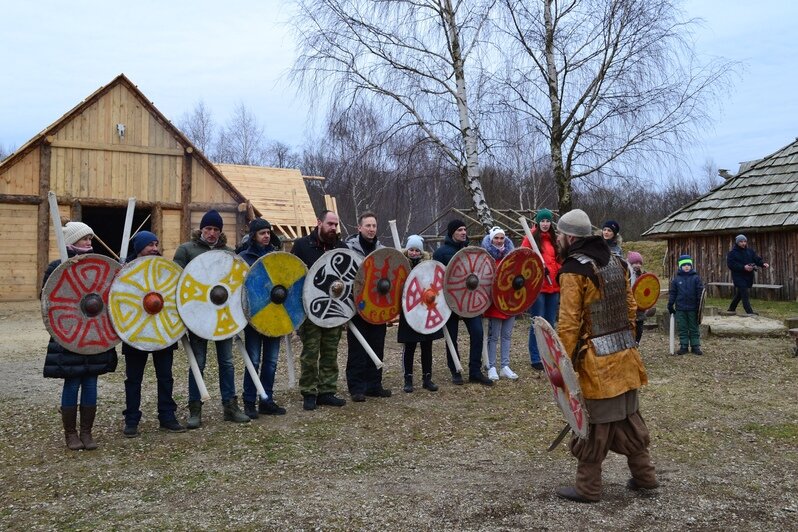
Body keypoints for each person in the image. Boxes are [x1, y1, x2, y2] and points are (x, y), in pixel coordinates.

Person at [554, 209, 657, 503]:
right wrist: (629, 341)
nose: (558, 239)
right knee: (627, 417)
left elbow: (569, 322)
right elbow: (630, 307)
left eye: (560, 235)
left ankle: (588, 488)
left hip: (597, 362)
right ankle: (645, 476)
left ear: (570, 237)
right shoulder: (615, 261)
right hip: (624, 355)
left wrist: (564, 363)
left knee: (595, 424)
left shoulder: (575, 270)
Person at [43, 222, 118, 450]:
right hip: (70, 333)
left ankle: (87, 432)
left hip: (96, 332)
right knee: (72, 382)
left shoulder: (98, 265)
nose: (89, 242)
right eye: (84, 239)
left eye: (89, 239)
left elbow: (114, 294)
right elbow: (48, 299)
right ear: (72, 241)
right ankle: (70, 434)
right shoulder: (57, 266)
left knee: (91, 383)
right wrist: (66, 270)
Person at [173, 209, 250, 428]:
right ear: (201, 229)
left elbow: (236, 285)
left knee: (226, 362)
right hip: (197, 315)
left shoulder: (228, 252)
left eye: (216, 229)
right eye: (208, 228)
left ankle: (230, 406)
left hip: (223, 315)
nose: (212, 233)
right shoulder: (186, 250)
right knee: (198, 362)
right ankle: (195, 409)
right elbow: (176, 282)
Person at [120, 231, 186, 437]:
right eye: (150, 245)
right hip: (135, 331)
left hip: (162, 329)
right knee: (134, 379)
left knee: (165, 377)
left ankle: (167, 416)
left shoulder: (164, 270)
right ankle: (131, 420)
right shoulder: (125, 271)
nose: (154, 248)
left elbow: (176, 294)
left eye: (156, 244)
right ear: (139, 248)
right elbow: (119, 300)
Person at [291, 210, 350, 411]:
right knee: (310, 352)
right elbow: (293, 275)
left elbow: (348, 280)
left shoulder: (341, 248)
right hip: (310, 310)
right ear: (319, 223)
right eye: (330, 224)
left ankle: (327, 391)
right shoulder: (301, 246)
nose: (333, 228)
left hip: (334, 309)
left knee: (330, 351)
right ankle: (309, 391)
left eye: (336, 225)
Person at [433, 219, 492, 386]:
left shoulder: (470, 252)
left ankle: (475, 371)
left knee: (478, 333)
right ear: (452, 232)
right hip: (449, 300)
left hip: (470, 300)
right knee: (451, 337)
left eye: (465, 229)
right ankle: (456, 370)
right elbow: (436, 277)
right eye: (460, 230)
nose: (464, 232)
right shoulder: (441, 253)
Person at [238, 218, 286, 418]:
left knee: (271, 361)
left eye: (268, 232)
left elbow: (286, 283)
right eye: (262, 233)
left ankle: (267, 400)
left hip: (275, 315)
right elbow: (239, 289)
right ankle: (249, 401)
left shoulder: (276, 256)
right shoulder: (243, 257)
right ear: (253, 235)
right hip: (254, 316)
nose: (266, 236)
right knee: (254, 359)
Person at [344, 212, 391, 402]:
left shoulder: (382, 250)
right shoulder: (348, 249)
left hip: (378, 305)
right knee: (357, 349)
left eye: (374, 226)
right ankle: (356, 387)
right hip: (357, 306)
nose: (371, 229)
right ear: (359, 228)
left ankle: (374, 385)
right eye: (368, 226)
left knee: (377, 344)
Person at [398, 235, 442, 393]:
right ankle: (408, 379)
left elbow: (434, 284)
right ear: (407, 249)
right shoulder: (401, 263)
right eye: (411, 249)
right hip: (408, 309)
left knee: (427, 346)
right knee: (409, 346)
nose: (414, 252)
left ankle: (427, 378)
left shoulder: (428, 264)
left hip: (425, 309)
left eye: (417, 250)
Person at [522, 208, 561, 371]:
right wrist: (538, 267)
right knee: (537, 322)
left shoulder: (555, 239)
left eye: (547, 221)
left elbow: (560, 259)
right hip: (538, 287)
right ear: (538, 222)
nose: (545, 224)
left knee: (550, 323)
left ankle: (549, 355)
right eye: (542, 221)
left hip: (554, 286)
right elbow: (522, 258)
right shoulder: (530, 238)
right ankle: (536, 357)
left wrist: (558, 270)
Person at [481, 227, 518, 380]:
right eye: (496, 238)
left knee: (507, 335)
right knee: (494, 336)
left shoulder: (511, 256)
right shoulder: (486, 258)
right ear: (491, 240)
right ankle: (491, 366)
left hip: (510, 300)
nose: (499, 241)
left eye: (502, 238)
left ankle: (505, 366)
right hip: (495, 301)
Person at [667, 255, 705, 356]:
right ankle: (684, 345)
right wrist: (670, 305)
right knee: (682, 327)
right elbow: (673, 293)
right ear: (680, 266)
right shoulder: (676, 280)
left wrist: (699, 307)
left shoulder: (696, 278)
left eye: (688, 264)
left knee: (693, 327)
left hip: (693, 308)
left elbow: (700, 293)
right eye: (684, 265)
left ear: (691, 266)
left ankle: (695, 346)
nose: (687, 266)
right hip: (680, 308)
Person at [726, 234, 770, 315]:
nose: (743, 243)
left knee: (740, 294)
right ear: (737, 242)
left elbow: (756, 259)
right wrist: (743, 267)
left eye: (745, 241)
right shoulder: (732, 253)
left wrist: (763, 264)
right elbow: (731, 264)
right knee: (744, 294)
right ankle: (750, 312)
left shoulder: (750, 251)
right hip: (738, 276)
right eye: (741, 242)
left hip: (748, 276)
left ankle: (731, 309)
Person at [627, 251, 647, 346]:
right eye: (635, 263)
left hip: (640, 305)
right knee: (629, 325)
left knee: (639, 326)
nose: (638, 265)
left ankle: (636, 342)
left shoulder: (642, 275)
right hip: (628, 304)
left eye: (639, 263)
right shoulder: (626, 273)